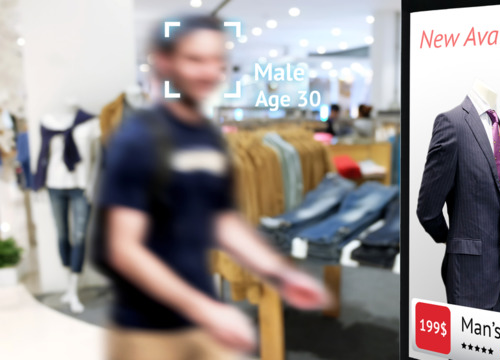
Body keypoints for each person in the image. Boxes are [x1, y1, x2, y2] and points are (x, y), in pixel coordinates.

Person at [100, 15, 330, 360]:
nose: (209, 72)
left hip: (201, 319)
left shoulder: (205, 137)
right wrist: (207, 310)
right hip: (149, 330)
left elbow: (220, 220)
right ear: (164, 63)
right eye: (195, 59)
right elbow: (123, 249)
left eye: (217, 61)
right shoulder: (138, 140)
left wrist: (278, 271)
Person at [416, 82, 500, 314]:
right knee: (466, 350)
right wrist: (450, 240)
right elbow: (428, 209)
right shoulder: (452, 123)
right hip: (469, 275)